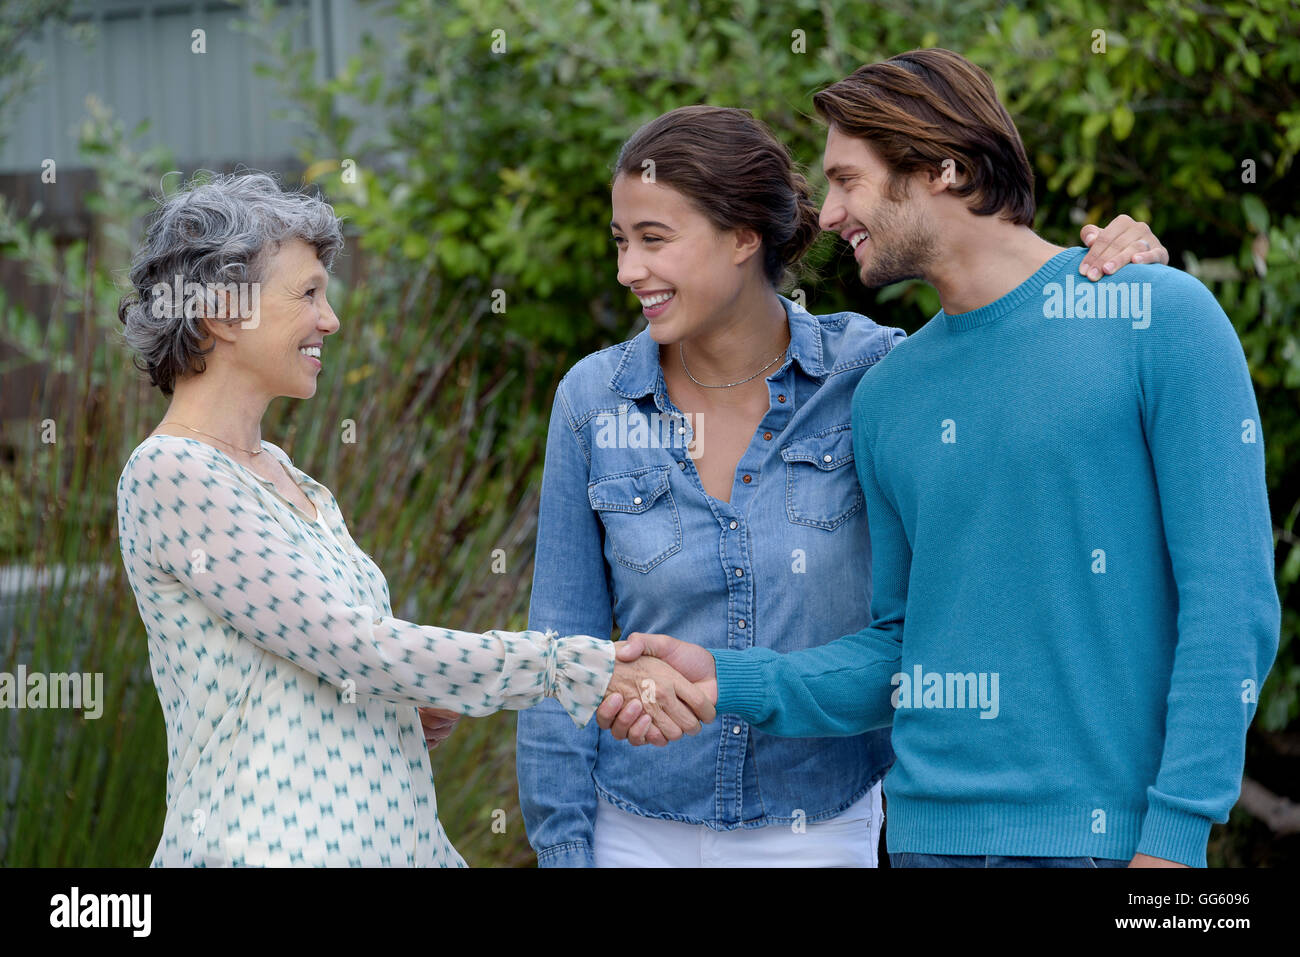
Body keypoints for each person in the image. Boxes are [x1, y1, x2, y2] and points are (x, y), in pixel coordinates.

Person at [601, 50, 1281, 870]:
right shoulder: (889, 393)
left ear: (942, 169)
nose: (830, 211)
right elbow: (899, 651)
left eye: (849, 180)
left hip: (1110, 849)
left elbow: (1231, 605)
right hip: (923, 842)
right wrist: (726, 680)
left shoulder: (1158, 316)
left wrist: (1175, 842)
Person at [516, 103, 1167, 867]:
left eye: (654, 240)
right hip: (634, 826)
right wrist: (562, 847)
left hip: (823, 825)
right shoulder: (594, 400)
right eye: (622, 243)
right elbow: (558, 649)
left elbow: (1014, 355)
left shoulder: (878, 376)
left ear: (742, 237)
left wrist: (1111, 276)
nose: (629, 270)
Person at [114, 171, 710, 867]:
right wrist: (574, 664)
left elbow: (336, 663)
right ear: (219, 312)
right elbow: (355, 646)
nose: (329, 319)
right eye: (308, 293)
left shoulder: (293, 479)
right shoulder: (172, 474)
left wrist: (405, 701)